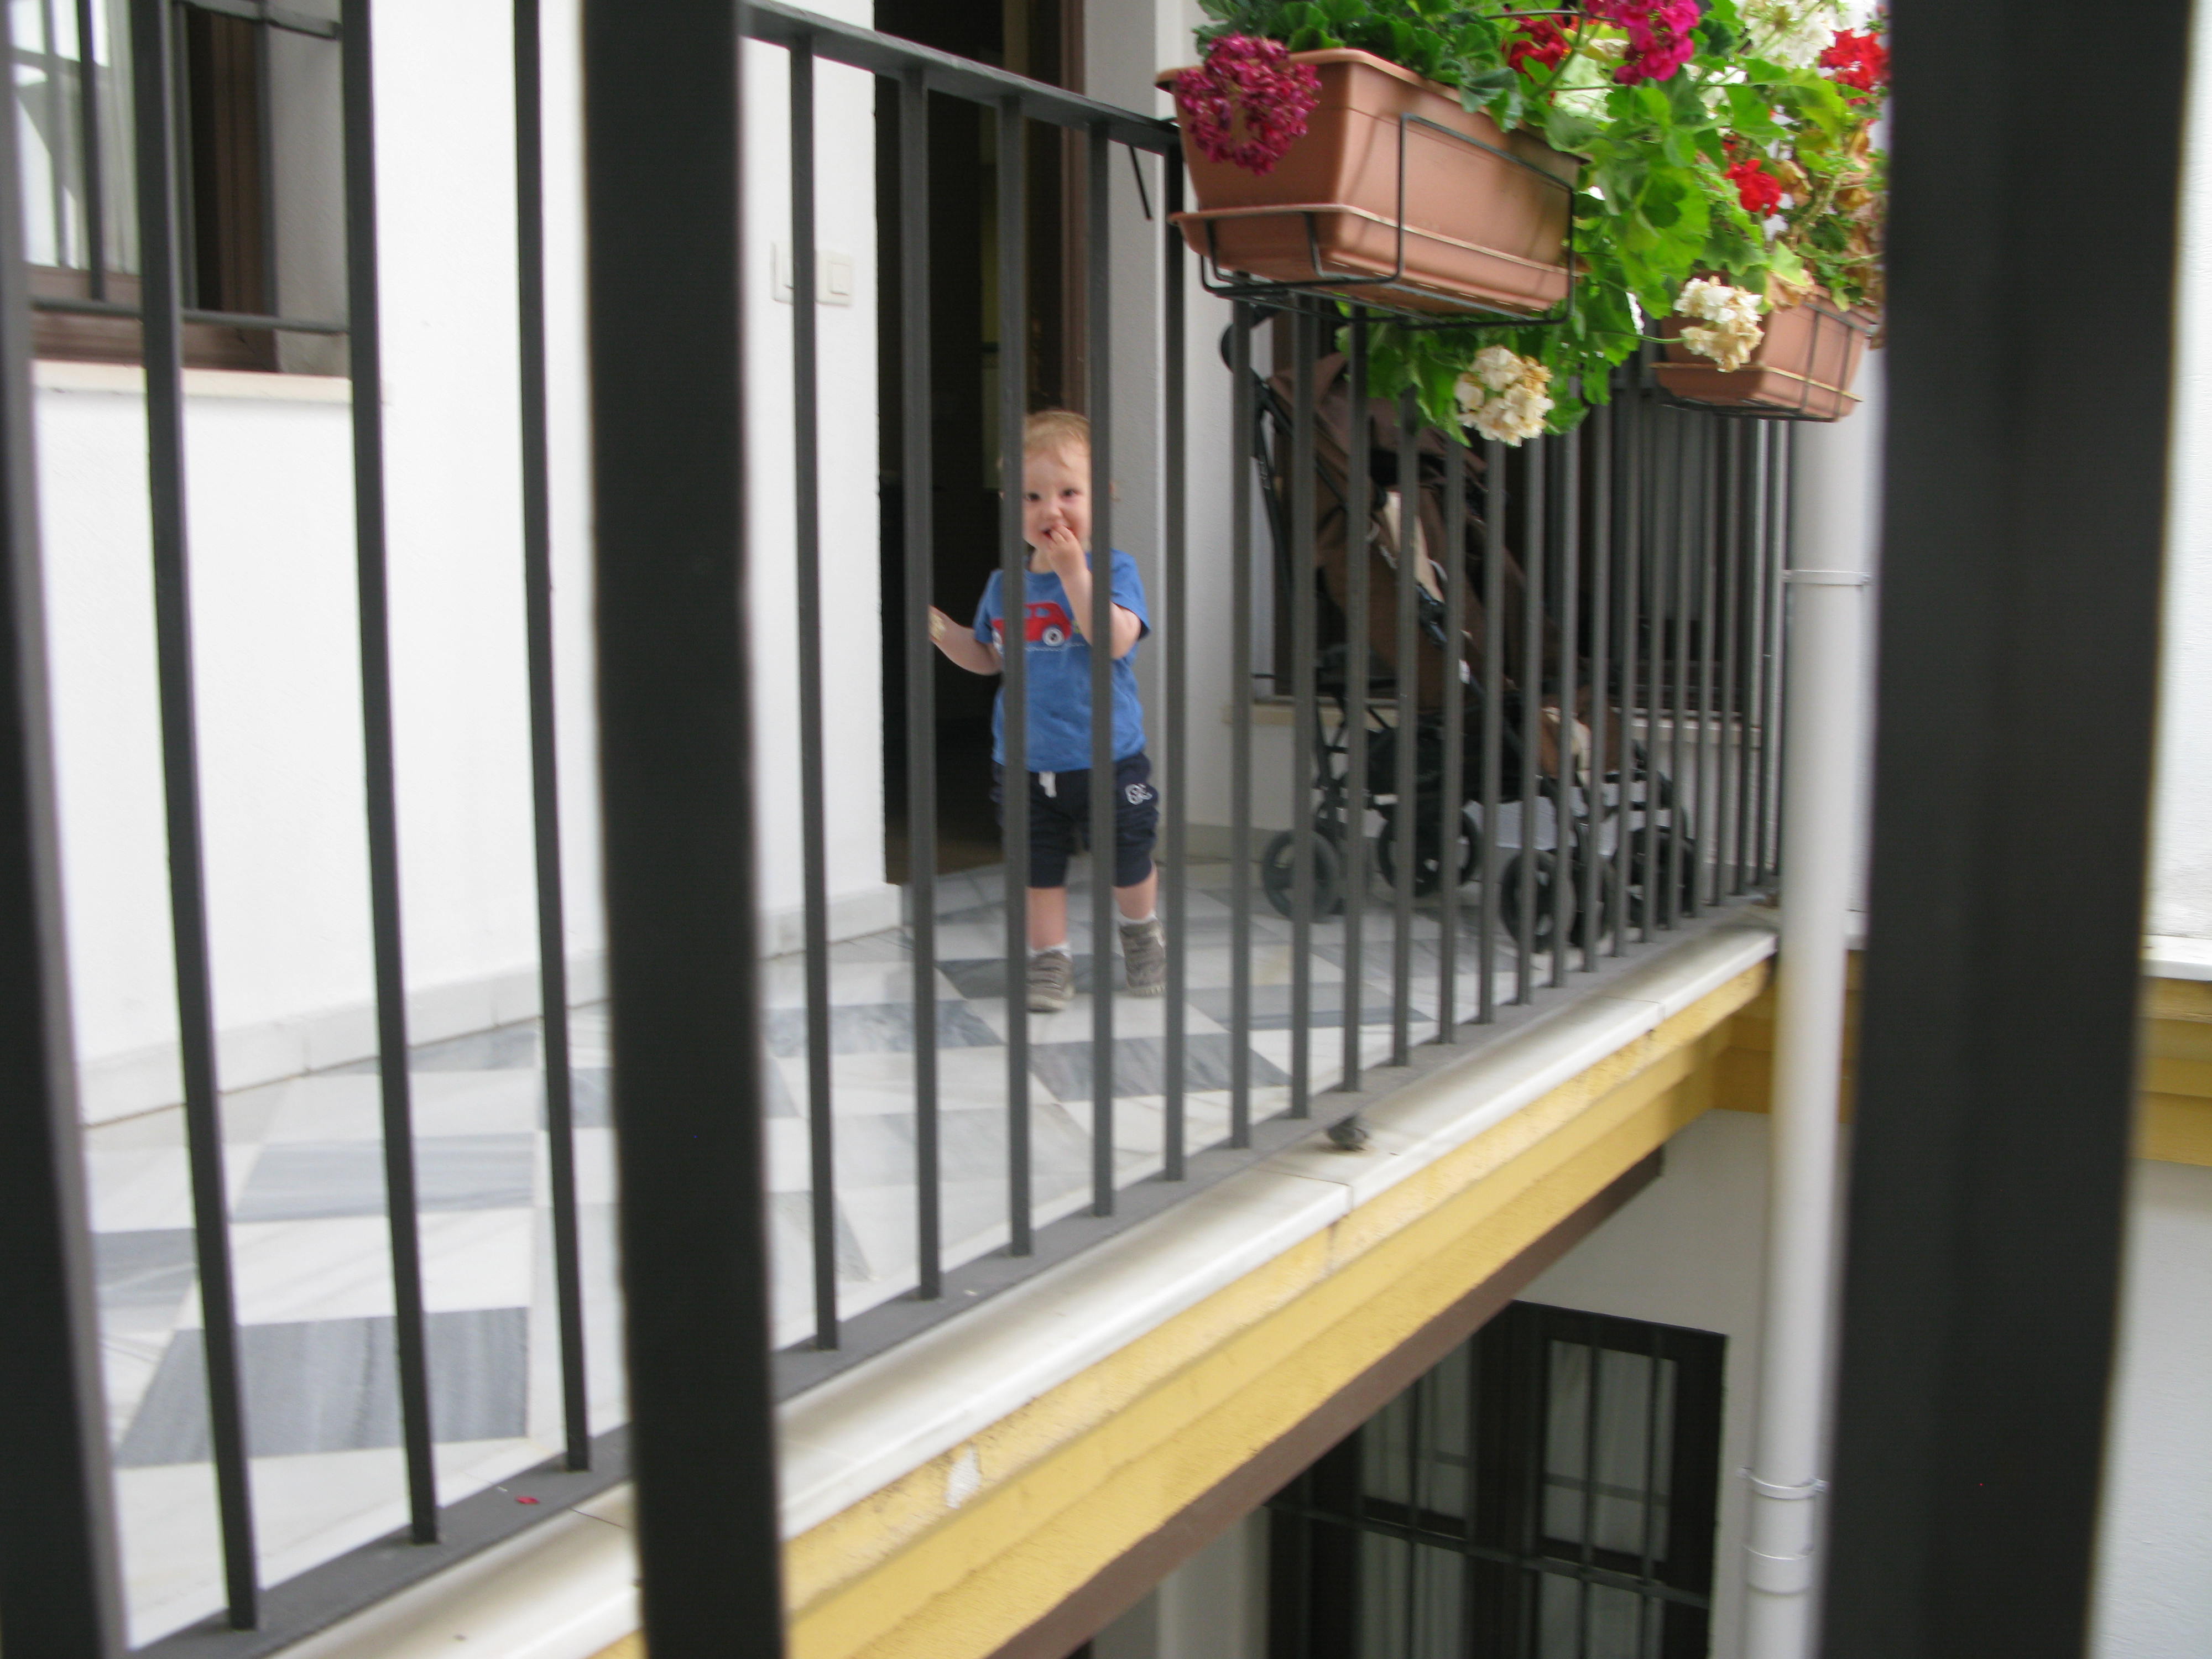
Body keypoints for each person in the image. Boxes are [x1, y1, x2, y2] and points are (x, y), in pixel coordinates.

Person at [927, 409, 1164, 1014]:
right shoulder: (1003, 585)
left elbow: (1114, 640)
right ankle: (1050, 958)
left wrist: (1073, 574)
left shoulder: (1113, 570)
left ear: (1100, 497)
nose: (1050, 509)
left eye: (1068, 493)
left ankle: (1141, 933)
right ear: (1012, 505)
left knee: (1128, 861)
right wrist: (944, 632)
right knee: (1038, 871)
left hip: (1108, 759)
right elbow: (989, 657)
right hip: (1025, 763)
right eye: (1032, 497)